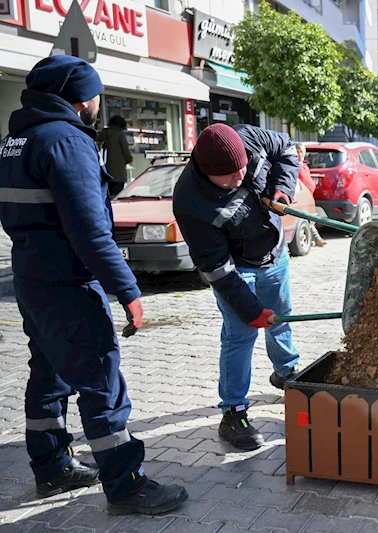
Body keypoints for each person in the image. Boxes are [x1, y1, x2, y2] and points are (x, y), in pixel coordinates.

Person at [0, 56, 186, 514]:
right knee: (101, 379)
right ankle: (126, 485)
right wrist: (128, 290)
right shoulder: (67, 141)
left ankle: (52, 467)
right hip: (67, 284)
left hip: (30, 277)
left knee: (49, 373)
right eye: (97, 95)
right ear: (82, 98)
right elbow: (90, 231)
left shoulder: (13, 142)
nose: (99, 103)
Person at [172, 123, 302, 451]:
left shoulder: (249, 137)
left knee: (282, 314)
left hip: (275, 252)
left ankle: (286, 371)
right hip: (238, 268)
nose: (240, 177)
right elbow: (216, 269)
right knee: (240, 335)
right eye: (230, 176)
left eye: (244, 167)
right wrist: (248, 307)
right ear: (207, 171)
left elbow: (287, 150)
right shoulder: (190, 201)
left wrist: (282, 189)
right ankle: (233, 411)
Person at [296, 142, 326, 247]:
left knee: (310, 218)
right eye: (298, 152)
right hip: (300, 196)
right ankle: (317, 238)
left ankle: (314, 239)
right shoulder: (294, 165)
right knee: (307, 218)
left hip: (308, 196)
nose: (299, 154)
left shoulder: (304, 165)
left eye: (301, 152)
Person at [96, 115, 133, 197]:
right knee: (118, 193)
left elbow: (97, 142)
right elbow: (125, 149)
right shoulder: (120, 134)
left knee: (108, 193)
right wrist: (129, 159)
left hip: (107, 167)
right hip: (119, 169)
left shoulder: (105, 132)